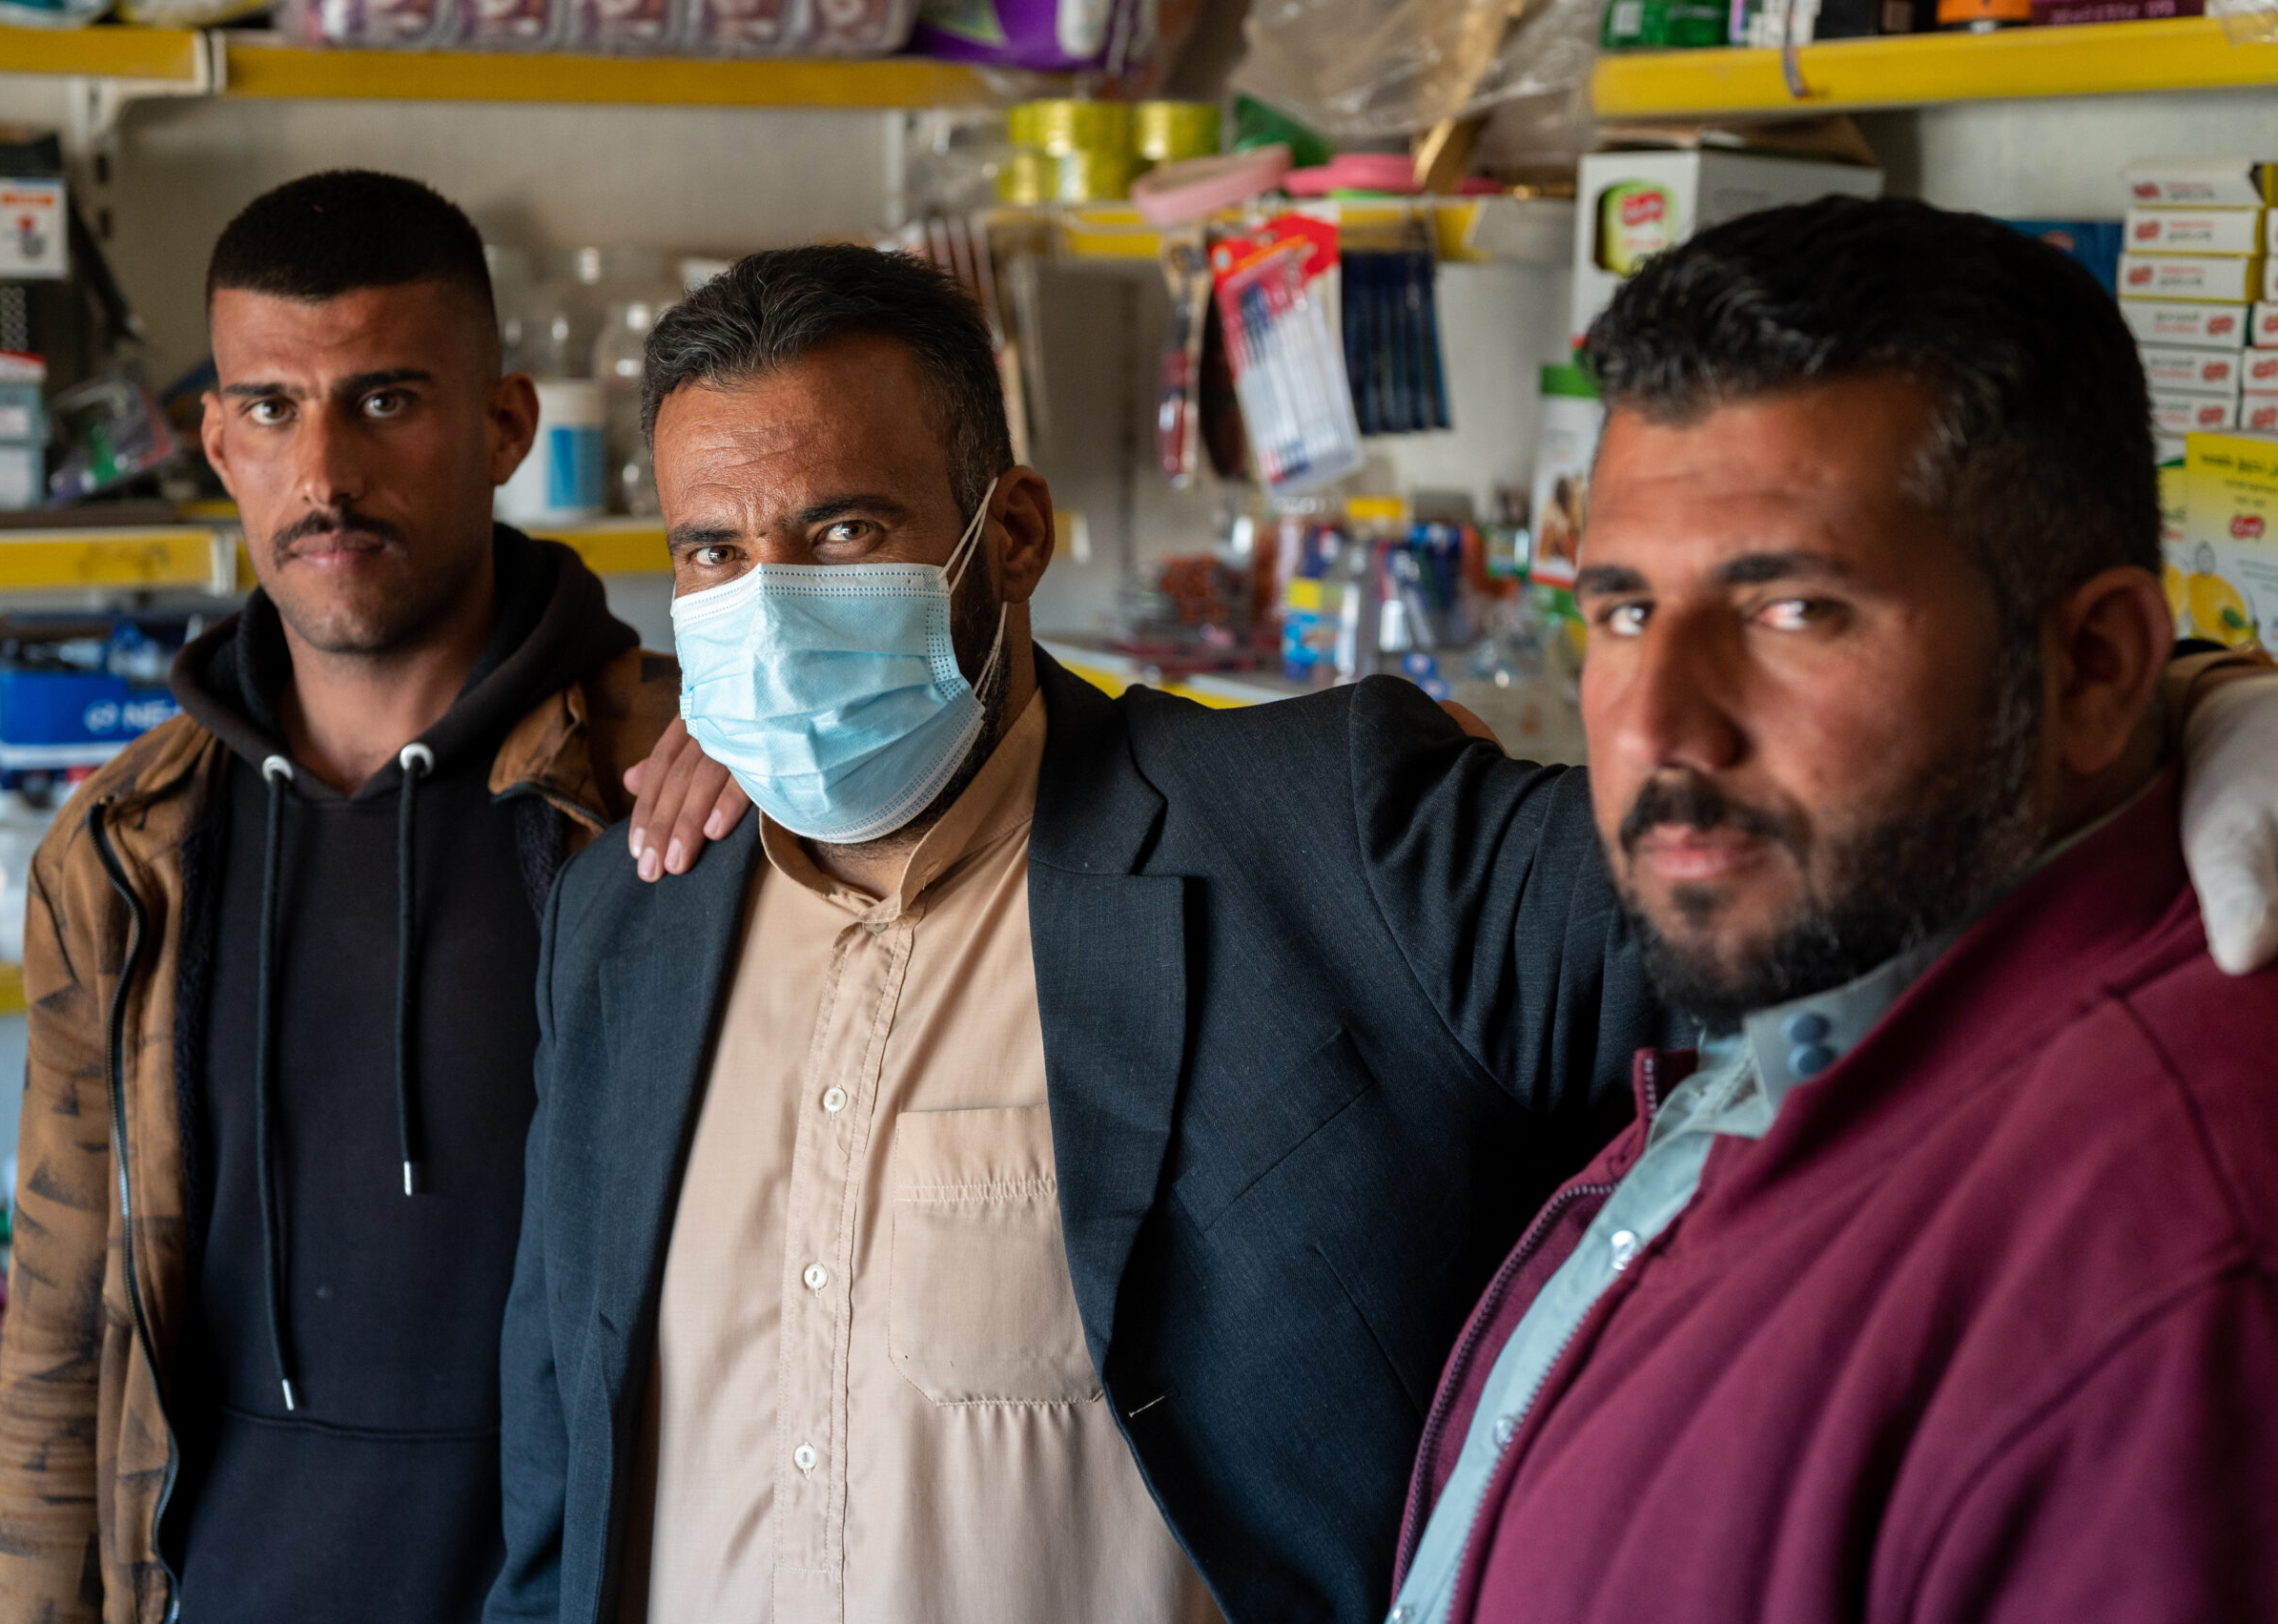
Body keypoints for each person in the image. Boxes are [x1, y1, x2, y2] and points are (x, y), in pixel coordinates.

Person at [500, 244, 2278, 1624]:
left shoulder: (1319, 840)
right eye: (715, 554)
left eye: (843, 533)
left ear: (1012, 535)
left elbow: (1766, 861)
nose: (770, 606)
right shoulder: (626, 919)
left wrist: (2170, 707)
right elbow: (563, 1463)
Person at [1388, 197, 2278, 1624]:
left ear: (2100, 664)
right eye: (1622, 611)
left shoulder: (2163, 1251)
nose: (1663, 727)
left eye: (1793, 610)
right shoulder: (1819, 979)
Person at [0, 171, 682, 1624]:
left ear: (504, 425)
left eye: (383, 400)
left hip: (590, 1589)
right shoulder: (121, 854)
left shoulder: (668, 793)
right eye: (269, 408)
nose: (324, 475)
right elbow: (61, 1329)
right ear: (213, 442)